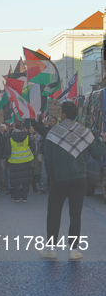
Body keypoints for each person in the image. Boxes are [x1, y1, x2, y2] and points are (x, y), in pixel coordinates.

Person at [40, 102, 106, 260]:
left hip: (59, 179)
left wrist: (52, 176)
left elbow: (47, 159)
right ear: (76, 114)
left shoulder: (53, 132)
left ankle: (51, 249)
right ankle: (74, 250)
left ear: (63, 114)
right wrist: (103, 141)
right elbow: (97, 154)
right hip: (80, 179)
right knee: (76, 214)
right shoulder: (85, 132)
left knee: (54, 214)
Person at [4, 121, 35, 203]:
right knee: (25, 180)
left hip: (15, 161)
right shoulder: (27, 136)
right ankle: (25, 197)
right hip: (26, 161)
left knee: (16, 181)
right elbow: (33, 147)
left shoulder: (11, 137)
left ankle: (16, 198)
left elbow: (7, 150)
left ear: (15, 128)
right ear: (22, 128)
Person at [31, 116, 56, 194]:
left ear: (56, 122)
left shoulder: (59, 131)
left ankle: (55, 188)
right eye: (50, 121)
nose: (51, 122)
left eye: (53, 121)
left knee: (56, 172)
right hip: (46, 154)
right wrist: (32, 119)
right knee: (44, 172)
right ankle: (43, 188)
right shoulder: (45, 130)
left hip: (56, 155)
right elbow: (37, 126)